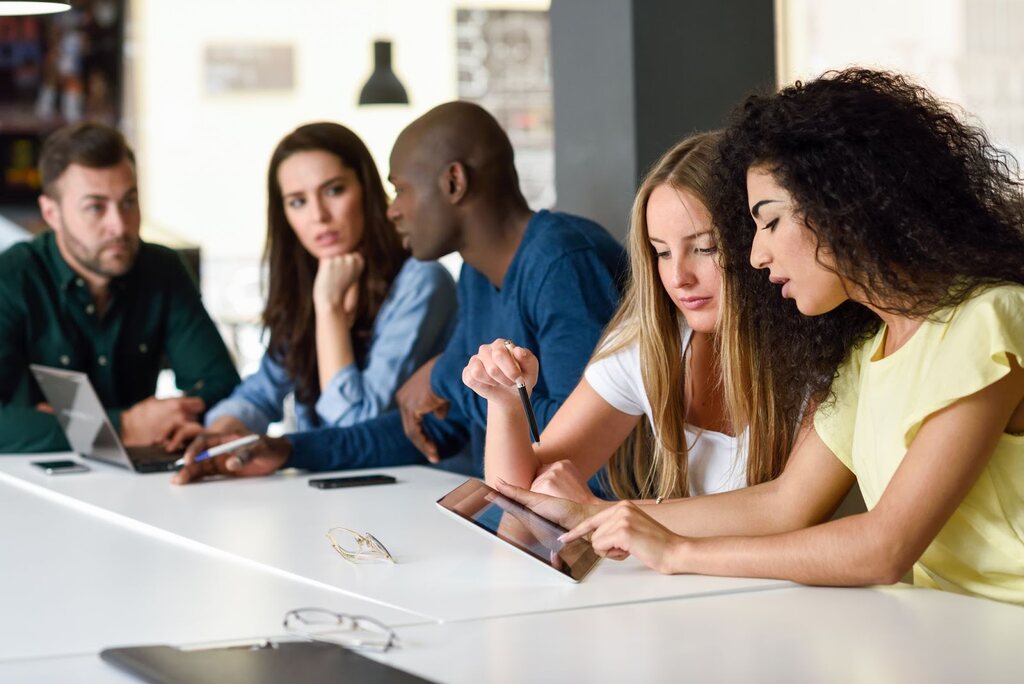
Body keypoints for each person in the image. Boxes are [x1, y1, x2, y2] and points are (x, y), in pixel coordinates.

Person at [500, 69, 1024, 605]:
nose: (755, 256)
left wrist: (676, 552)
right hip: (945, 626)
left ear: (845, 205)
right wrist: (605, 518)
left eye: (769, 223)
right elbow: (781, 505)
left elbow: (883, 548)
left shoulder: (988, 319)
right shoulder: (869, 353)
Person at [173, 101, 626, 484]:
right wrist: (288, 450)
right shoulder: (475, 273)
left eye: (401, 190)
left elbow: (586, 445)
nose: (391, 211)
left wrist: (445, 374)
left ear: (453, 183)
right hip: (526, 521)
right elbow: (436, 425)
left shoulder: (563, 261)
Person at [462, 133, 794, 504]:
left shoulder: (812, 352)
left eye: (704, 248)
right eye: (662, 253)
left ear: (756, 237)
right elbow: (521, 498)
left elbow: (783, 515)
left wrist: (604, 514)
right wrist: (505, 402)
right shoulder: (650, 342)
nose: (678, 277)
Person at [170, 123, 456, 447]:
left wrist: (329, 311)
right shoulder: (309, 284)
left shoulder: (421, 281)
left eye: (334, 190)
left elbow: (354, 427)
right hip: (326, 483)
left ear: (366, 189)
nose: (318, 215)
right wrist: (218, 432)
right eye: (297, 202)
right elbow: (262, 393)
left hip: (416, 485)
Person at [0, 121, 240, 453]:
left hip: (139, 479)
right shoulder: (12, 276)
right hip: (32, 486)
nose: (120, 225)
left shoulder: (162, 269)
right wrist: (125, 426)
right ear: (51, 213)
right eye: (95, 207)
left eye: (129, 202)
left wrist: (63, 422)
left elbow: (221, 386)